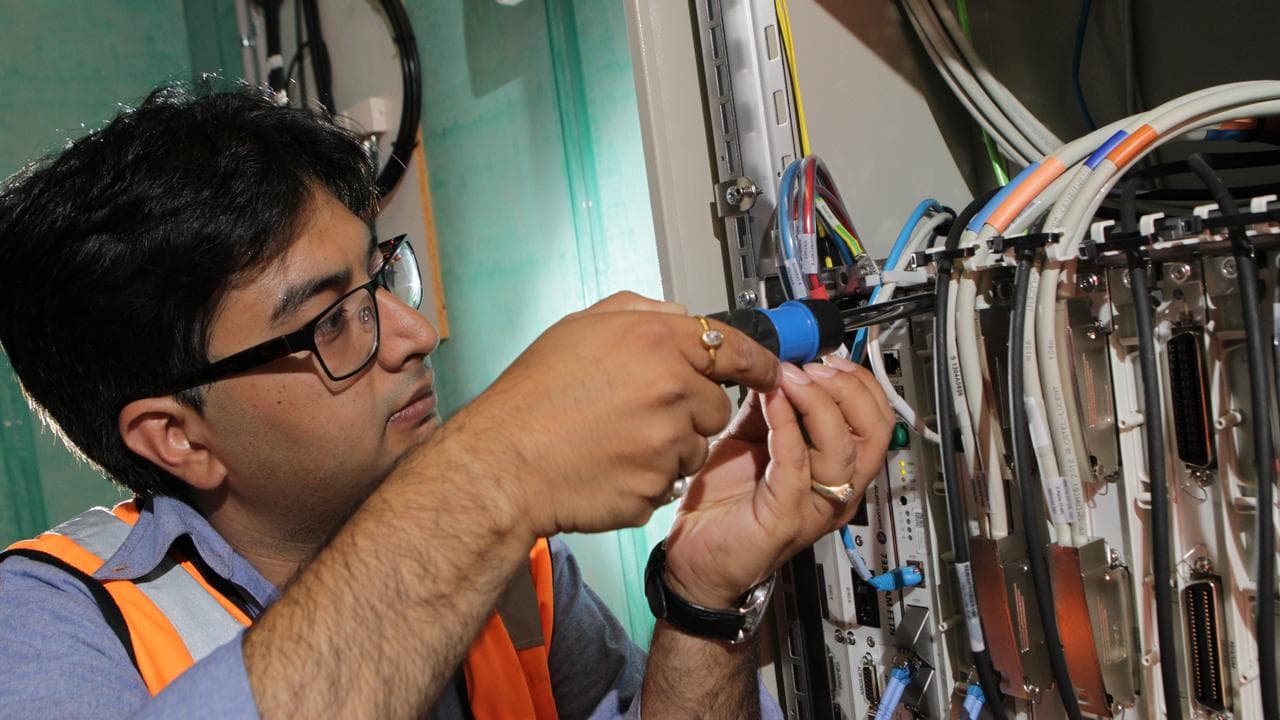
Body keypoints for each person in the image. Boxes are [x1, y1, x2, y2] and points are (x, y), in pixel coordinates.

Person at [0, 84, 892, 719]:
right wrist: (493, 469)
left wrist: (703, 601)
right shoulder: (47, 629)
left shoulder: (514, 575)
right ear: (177, 438)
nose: (416, 336)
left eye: (382, 280)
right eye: (331, 321)